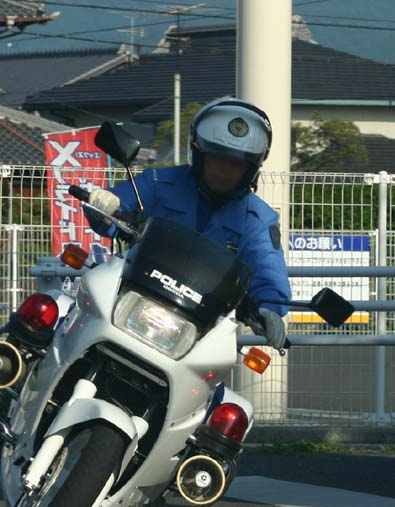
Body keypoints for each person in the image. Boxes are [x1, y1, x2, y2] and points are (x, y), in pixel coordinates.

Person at [90, 97, 291, 350]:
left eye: (237, 163)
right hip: (133, 298)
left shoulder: (257, 218)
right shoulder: (157, 183)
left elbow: (267, 268)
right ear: (199, 154)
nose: (225, 169)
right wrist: (105, 204)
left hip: (199, 325)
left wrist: (269, 309)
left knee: (205, 386)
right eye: (217, 157)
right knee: (78, 330)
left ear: (251, 168)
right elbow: (114, 210)